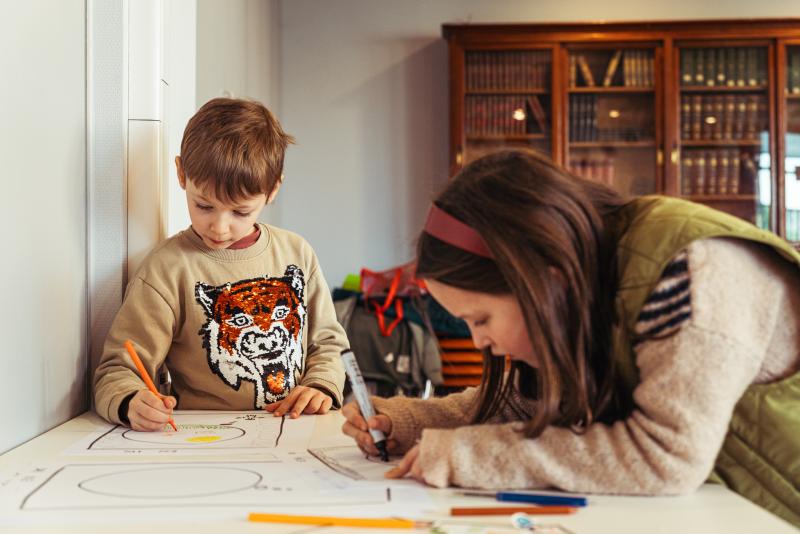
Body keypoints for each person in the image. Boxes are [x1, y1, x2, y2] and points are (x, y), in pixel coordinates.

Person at [341, 149, 800, 526]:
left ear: (545, 281)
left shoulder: (690, 272)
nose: (478, 341)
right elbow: (525, 406)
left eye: (480, 319)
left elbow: (664, 457)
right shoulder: (588, 276)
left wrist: (467, 455)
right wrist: (407, 421)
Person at [95, 97, 347, 431]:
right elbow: (117, 370)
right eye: (204, 206)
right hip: (205, 439)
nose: (220, 227)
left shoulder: (297, 254)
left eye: (240, 212)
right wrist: (130, 401)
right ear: (181, 174)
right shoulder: (167, 269)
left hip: (295, 431)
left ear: (273, 190)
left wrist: (320, 386)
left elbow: (328, 344)